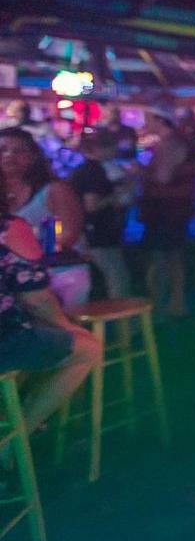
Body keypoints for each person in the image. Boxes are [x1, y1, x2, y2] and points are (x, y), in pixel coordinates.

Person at [0, 209, 101, 432]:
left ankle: (10, 418)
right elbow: (35, 299)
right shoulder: (8, 228)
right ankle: (14, 441)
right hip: (6, 341)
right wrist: (68, 327)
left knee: (37, 339)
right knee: (89, 347)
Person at [0, 127, 90, 307]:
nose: (9, 155)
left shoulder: (55, 190)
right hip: (12, 278)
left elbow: (69, 236)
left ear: (33, 157)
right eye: (3, 150)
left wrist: (21, 243)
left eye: (18, 151)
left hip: (59, 274)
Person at [140, 109, 195, 318]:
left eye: (147, 119)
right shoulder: (177, 142)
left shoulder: (169, 144)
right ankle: (176, 303)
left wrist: (140, 172)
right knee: (173, 256)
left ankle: (162, 305)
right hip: (176, 207)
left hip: (165, 208)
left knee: (160, 257)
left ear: (159, 119)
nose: (145, 123)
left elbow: (163, 178)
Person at [70, 130, 132, 298]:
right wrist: (120, 193)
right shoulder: (94, 172)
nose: (115, 151)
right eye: (112, 147)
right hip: (97, 233)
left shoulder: (85, 170)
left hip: (91, 232)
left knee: (113, 276)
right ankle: (121, 319)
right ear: (99, 148)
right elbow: (92, 205)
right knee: (117, 278)